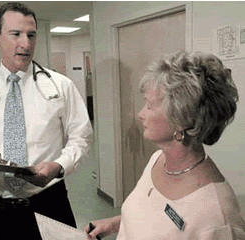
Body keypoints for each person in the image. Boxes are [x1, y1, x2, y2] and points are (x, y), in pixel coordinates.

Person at [0, 2, 93, 240]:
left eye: (31, 35)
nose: (26, 43)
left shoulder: (60, 86)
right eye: (16, 34)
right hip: (1, 207)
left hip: (51, 201)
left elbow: (81, 138)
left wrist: (59, 166)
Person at [84, 51, 245, 239]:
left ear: (182, 119)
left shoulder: (218, 219)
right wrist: (115, 223)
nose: (140, 114)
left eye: (149, 105)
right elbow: (156, 219)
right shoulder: (158, 159)